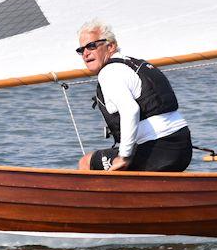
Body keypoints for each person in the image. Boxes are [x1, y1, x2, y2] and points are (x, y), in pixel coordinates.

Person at [76, 19, 192, 172]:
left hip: (158, 150)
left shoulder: (109, 72)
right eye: (81, 50)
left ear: (110, 46)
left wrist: (124, 157)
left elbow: (130, 110)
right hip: (182, 147)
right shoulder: (134, 64)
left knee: (87, 162)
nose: (85, 53)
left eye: (91, 46)